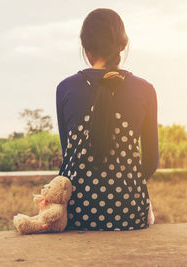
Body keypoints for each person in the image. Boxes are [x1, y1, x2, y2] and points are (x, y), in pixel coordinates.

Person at [56, 8, 159, 231]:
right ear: (122, 45)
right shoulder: (145, 90)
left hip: (77, 213)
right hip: (130, 213)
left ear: (86, 47)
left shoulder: (65, 88)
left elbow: (69, 156)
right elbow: (151, 162)